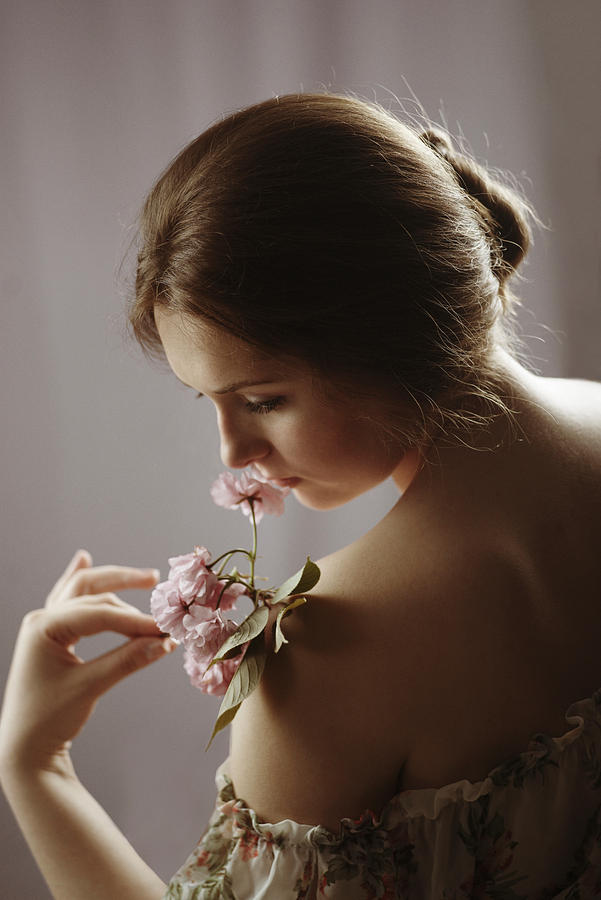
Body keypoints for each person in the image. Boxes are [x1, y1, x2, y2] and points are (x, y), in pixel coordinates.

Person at [1, 93, 601, 899]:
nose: (234, 453)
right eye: (207, 401)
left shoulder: (325, 649)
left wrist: (36, 767)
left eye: (263, 399)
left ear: (390, 333)